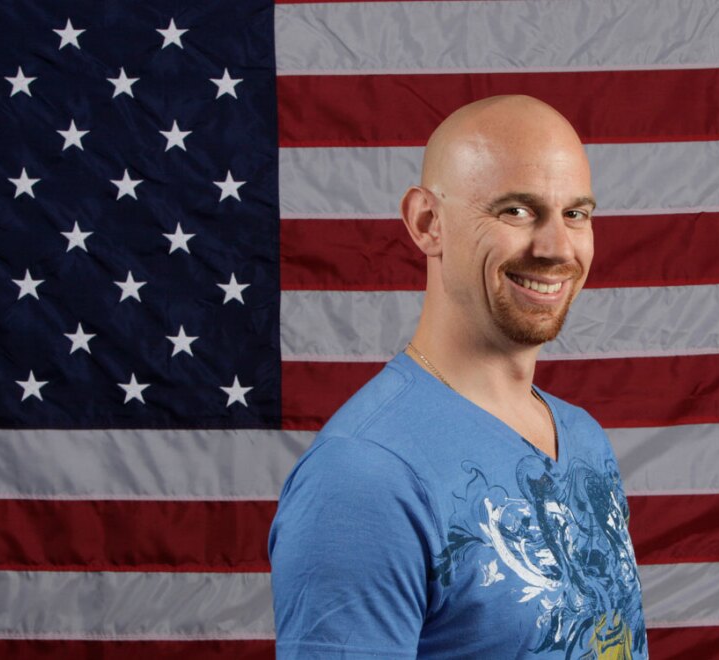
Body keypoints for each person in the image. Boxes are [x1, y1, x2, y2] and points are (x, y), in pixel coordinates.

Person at [269, 95, 647, 659]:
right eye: (515, 211)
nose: (555, 248)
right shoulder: (362, 475)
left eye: (576, 214)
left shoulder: (583, 437)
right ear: (427, 222)